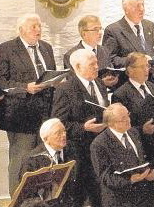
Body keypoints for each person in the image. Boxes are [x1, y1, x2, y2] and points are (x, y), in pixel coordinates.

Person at [0, 13, 57, 195]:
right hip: (19, 116)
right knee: (21, 161)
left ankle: (40, 201)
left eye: (39, 26)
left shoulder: (46, 48)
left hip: (45, 115)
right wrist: (25, 88)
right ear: (21, 30)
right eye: (33, 27)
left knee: (43, 160)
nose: (38, 30)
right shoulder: (6, 49)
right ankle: (17, 200)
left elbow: (50, 74)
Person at [52, 48, 109, 206]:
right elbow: (59, 123)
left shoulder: (99, 83)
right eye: (92, 64)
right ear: (77, 67)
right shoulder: (65, 89)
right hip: (80, 150)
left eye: (97, 63)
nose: (97, 67)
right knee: (80, 196)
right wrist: (83, 127)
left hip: (101, 147)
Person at [90, 103, 154, 206]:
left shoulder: (134, 132)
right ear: (111, 123)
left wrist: (150, 172)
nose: (128, 120)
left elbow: (143, 159)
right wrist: (130, 180)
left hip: (142, 197)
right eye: (123, 119)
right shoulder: (99, 144)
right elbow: (105, 177)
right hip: (119, 200)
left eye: (128, 115)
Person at [18, 118, 80, 206]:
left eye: (64, 131)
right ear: (46, 138)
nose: (64, 135)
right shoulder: (32, 160)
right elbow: (27, 195)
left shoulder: (72, 150)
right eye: (58, 133)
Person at [103, 0, 154, 68]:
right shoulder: (113, 31)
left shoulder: (151, 26)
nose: (142, 9)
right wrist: (136, 61)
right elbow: (110, 59)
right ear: (126, 9)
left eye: (143, 5)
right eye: (137, 5)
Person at [63, 15, 117, 89]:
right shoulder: (71, 55)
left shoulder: (104, 50)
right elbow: (74, 83)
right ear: (84, 33)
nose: (100, 32)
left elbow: (109, 71)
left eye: (100, 29)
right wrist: (101, 83)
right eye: (95, 29)